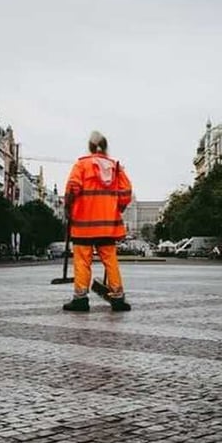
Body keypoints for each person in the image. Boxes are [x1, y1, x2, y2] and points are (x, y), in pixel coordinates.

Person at [62, 131, 133, 312]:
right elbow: (126, 191)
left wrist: (68, 208)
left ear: (90, 147)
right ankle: (117, 298)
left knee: (82, 261)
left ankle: (80, 299)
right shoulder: (116, 167)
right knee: (110, 260)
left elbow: (73, 187)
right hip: (108, 224)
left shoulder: (82, 165)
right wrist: (119, 208)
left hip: (83, 224)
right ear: (105, 147)